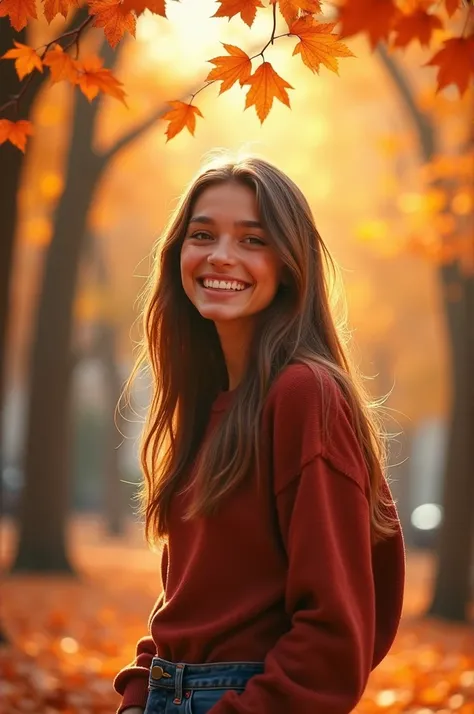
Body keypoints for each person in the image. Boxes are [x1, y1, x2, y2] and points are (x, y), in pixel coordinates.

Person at [113, 154, 405, 714]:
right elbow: (200, 596)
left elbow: (333, 637)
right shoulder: (210, 400)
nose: (221, 255)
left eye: (253, 240)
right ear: (179, 253)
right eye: (203, 234)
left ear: (291, 264)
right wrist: (140, 688)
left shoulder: (304, 395)